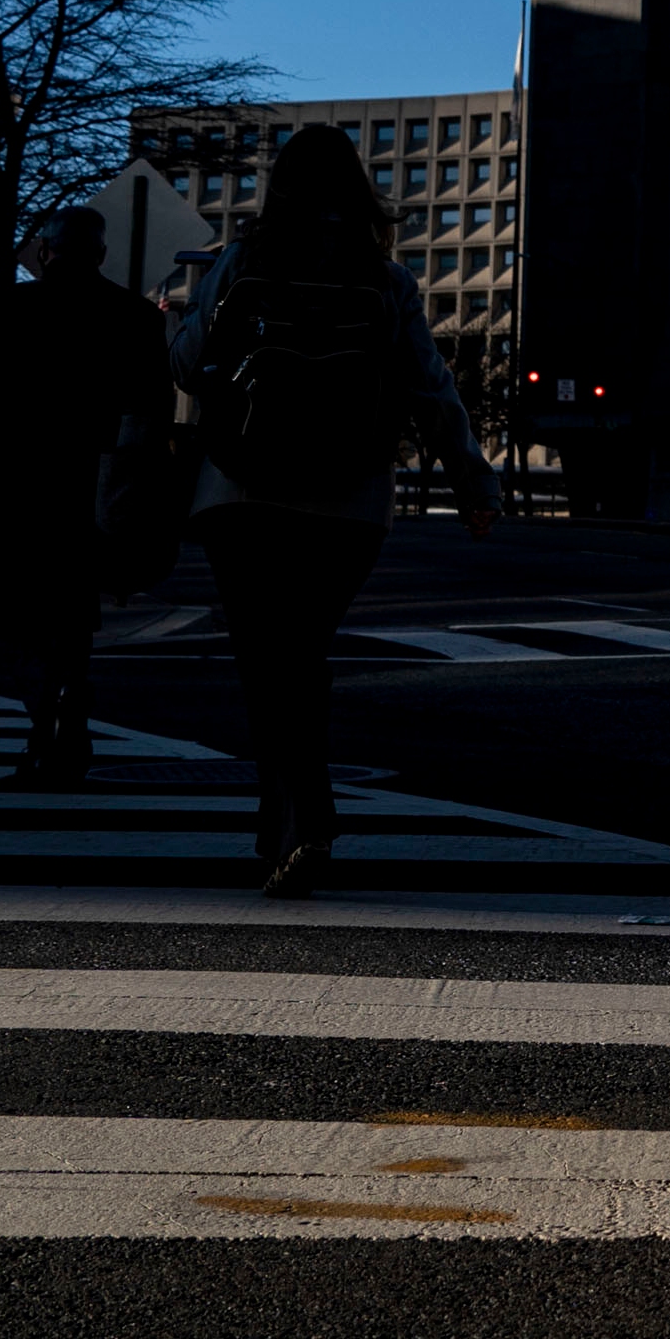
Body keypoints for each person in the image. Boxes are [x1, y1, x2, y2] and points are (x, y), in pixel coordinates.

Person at [169, 125, 499, 898]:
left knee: (263, 658)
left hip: (244, 490)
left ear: (279, 186)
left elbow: (186, 366)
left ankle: (300, 811)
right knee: (303, 653)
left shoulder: (243, 260)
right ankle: (283, 818)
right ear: (359, 188)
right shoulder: (385, 280)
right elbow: (431, 389)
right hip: (349, 498)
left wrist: (182, 318)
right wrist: (474, 484)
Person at [0, 207, 172, 786]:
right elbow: (151, 418)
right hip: (93, 493)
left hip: (13, 491)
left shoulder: (4, 310)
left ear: (45, 251)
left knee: (8, 620)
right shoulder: (137, 319)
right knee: (72, 616)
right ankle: (67, 712)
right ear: (100, 255)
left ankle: (48, 715)